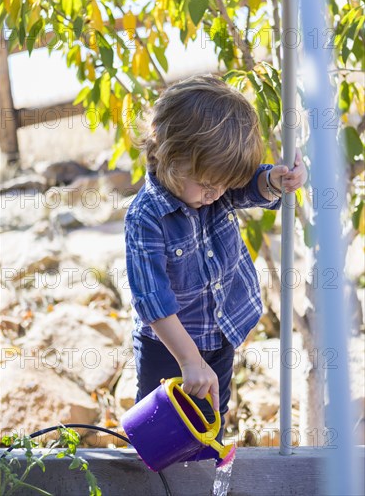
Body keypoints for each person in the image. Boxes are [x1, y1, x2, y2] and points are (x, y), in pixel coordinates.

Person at [124, 73, 307, 442]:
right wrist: (189, 360)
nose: (217, 193)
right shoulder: (146, 217)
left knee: (209, 422)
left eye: (223, 184)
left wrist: (276, 180)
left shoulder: (216, 185)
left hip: (220, 336)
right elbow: (153, 302)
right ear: (166, 153)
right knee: (163, 432)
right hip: (169, 348)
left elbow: (251, 186)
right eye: (208, 185)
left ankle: (206, 467)